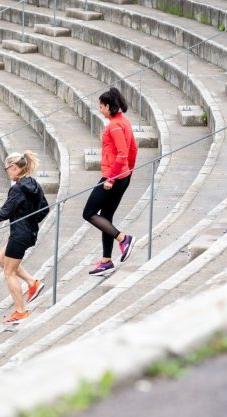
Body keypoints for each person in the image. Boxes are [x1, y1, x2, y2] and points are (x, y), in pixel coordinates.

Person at [0, 150, 48, 325]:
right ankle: (33, 283)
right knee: (1, 259)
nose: (7, 172)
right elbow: (45, 208)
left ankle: (20, 311)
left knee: (9, 272)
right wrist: (32, 221)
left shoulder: (17, 189)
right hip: (28, 231)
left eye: (7, 169)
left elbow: (6, 211)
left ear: (15, 168)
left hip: (20, 234)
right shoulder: (34, 183)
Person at [83, 87, 138, 277]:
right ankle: (106, 261)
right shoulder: (124, 122)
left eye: (101, 106)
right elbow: (133, 150)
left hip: (112, 177)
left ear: (108, 106)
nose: (99, 109)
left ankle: (124, 239)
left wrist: (112, 178)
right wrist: (128, 172)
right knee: (105, 217)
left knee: (88, 213)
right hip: (122, 175)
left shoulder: (114, 126)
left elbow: (123, 153)